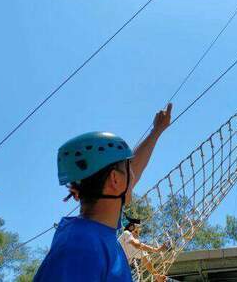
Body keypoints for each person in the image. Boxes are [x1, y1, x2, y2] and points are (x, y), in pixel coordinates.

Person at [34, 104, 173, 282]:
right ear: (115, 180)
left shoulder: (93, 237)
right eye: (127, 169)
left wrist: (157, 131)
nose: (134, 174)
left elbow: (134, 170)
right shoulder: (81, 248)